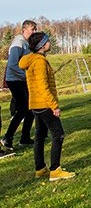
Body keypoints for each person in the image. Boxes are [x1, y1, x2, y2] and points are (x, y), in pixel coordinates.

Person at [18, 32, 75, 181]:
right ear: (42, 45)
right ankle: (55, 170)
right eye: (48, 41)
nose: (50, 42)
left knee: (40, 136)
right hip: (44, 104)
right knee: (58, 135)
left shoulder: (31, 60)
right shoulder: (39, 62)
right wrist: (54, 106)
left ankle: (40, 168)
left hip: (35, 104)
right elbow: (43, 87)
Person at [1, 20, 37, 152]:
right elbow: (12, 65)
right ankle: (8, 137)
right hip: (15, 80)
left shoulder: (26, 44)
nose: (34, 32)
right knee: (23, 109)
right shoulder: (18, 43)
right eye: (32, 29)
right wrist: (26, 75)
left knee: (31, 108)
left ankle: (25, 137)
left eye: (35, 29)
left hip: (22, 79)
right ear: (24, 30)